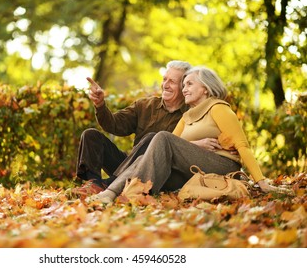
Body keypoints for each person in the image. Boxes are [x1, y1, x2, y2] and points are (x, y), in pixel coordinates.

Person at [87, 66, 278, 203]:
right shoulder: (187, 116)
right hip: (194, 168)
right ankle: (111, 193)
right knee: (148, 153)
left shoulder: (218, 108)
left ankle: (125, 193)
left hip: (221, 164)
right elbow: (171, 145)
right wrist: (197, 144)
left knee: (160, 137)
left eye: (189, 84)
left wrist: (261, 182)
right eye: (184, 85)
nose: (184, 89)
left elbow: (242, 145)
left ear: (205, 88)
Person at [71, 60, 192, 197]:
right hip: (130, 168)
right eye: (165, 79)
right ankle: (94, 184)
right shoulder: (145, 105)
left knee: (154, 138)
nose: (166, 85)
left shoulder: (192, 113)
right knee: (90, 135)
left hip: (161, 175)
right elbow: (114, 124)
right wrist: (100, 105)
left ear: (184, 87)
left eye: (172, 82)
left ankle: (111, 183)